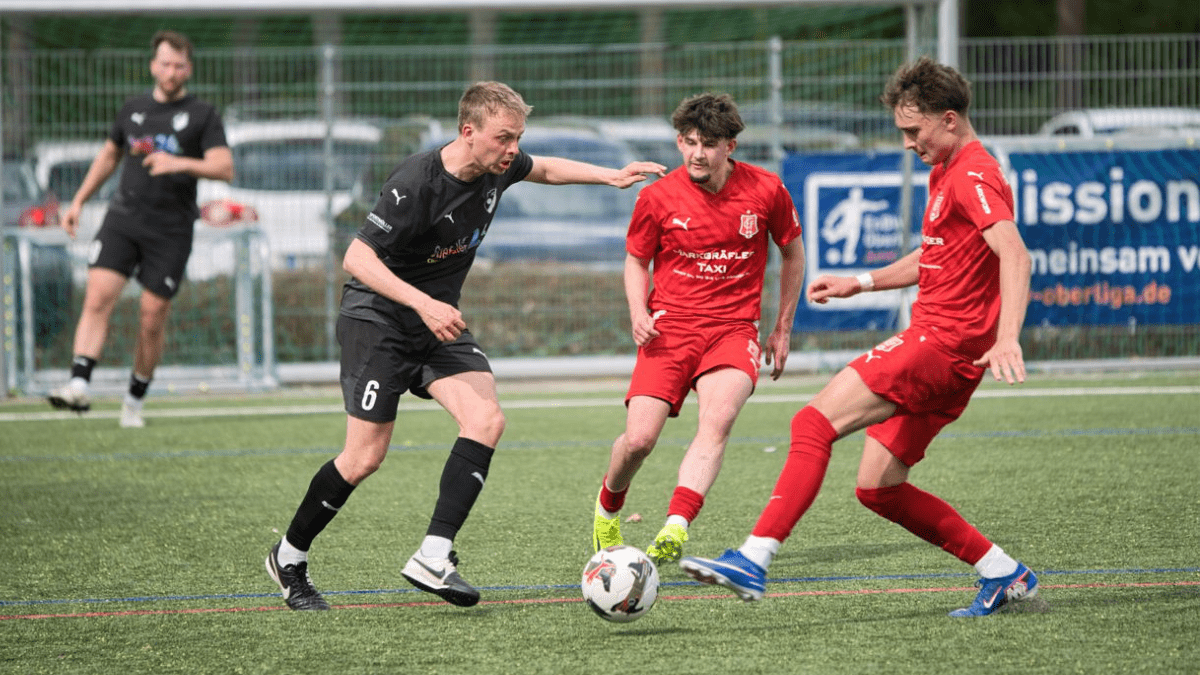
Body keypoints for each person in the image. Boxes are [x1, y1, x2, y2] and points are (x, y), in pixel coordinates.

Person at [264, 81, 666, 611]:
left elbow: (543, 168)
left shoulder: (499, 166)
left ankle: (434, 553)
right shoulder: (416, 184)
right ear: (467, 131)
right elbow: (357, 260)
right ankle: (289, 557)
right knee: (364, 458)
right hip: (378, 321)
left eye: (517, 138)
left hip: (436, 325)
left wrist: (609, 175)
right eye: (503, 138)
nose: (512, 150)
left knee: (486, 420)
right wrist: (424, 304)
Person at [680, 56, 1038, 618]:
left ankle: (754, 557)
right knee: (878, 487)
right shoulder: (949, 167)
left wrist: (1009, 336)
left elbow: (1014, 252)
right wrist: (861, 283)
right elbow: (938, 256)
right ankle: (1003, 572)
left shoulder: (972, 172)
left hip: (941, 346)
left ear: (949, 119)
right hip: (952, 357)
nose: (907, 145)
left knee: (811, 422)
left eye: (913, 132)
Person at [591, 93, 805, 566]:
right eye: (688, 142)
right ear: (678, 142)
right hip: (668, 330)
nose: (696, 154)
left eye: (708, 144)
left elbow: (792, 252)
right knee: (639, 441)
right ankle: (609, 504)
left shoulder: (766, 190)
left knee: (718, 421)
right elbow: (635, 259)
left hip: (733, 330)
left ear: (730, 146)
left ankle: (676, 525)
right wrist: (637, 311)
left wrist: (782, 326)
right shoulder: (658, 197)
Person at [46, 30, 233, 428]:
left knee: (151, 317)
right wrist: (77, 201)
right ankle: (79, 385)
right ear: (153, 66)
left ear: (189, 69)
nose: (171, 71)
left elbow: (224, 167)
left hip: (171, 229)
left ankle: (134, 399)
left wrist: (178, 162)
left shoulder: (202, 115)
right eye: (165, 63)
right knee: (97, 296)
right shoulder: (132, 110)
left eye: (179, 65)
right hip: (123, 219)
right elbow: (110, 154)